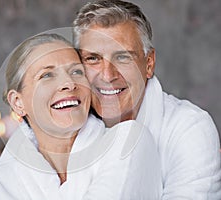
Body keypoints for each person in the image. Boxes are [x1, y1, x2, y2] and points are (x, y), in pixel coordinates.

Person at [0, 33, 162, 199]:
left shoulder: (128, 143)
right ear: (18, 103)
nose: (69, 83)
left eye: (77, 72)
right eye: (47, 75)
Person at [73, 0, 221, 198]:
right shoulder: (66, 123)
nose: (107, 75)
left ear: (149, 64)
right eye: (93, 59)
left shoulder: (189, 128)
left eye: (123, 57)